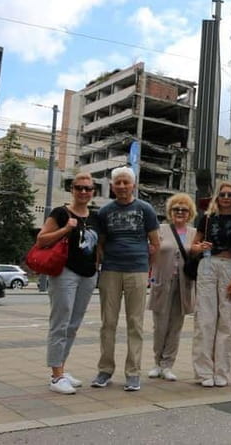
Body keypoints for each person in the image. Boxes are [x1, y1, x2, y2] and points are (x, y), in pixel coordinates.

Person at [91, 167, 160, 392]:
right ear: (112, 186)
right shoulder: (105, 212)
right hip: (111, 270)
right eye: (118, 183)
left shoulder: (145, 209)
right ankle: (105, 370)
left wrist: (147, 269)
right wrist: (100, 263)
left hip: (137, 271)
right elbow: (100, 243)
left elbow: (155, 243)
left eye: (126, 183)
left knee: (135, 324)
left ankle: (133, 373)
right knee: (108, 323)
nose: (121, 186)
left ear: (133, 186)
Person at [36, 172, 99, 395]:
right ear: (71, 189)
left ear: (93, 192)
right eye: (79, 187)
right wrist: (66, 229)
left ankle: (62, 368)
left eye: (88, 188)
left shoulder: (95, 216)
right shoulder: (61, 213)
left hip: (88, 275)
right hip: (65, 273)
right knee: (60, 323)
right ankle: (56, 376)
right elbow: (41, 239)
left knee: (73, 325)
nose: (83, 192)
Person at [191, 182, 231, 387]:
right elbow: (192, 247)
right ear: (217, 197)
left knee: (227, 320)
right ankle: (203, 372)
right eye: (223, 194)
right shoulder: (207, 219)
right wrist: (199, 246)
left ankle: (222, 371)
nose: (227, 197)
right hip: (208, 264)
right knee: (205, 318)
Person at [146, 193, 197, 382]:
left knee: (176, 326)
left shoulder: (194, 233)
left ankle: (168, 364)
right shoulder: (160, 230)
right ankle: (156, 363)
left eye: (184, 209)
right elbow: (151, 252)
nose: (180, 212)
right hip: (162, 282)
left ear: (190, 212)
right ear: (170, 211)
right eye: (176, 209)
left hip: (184, 284)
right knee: (160, 325)